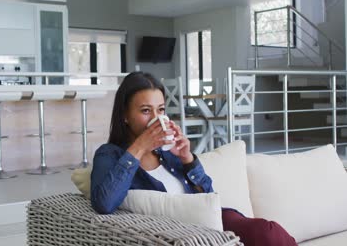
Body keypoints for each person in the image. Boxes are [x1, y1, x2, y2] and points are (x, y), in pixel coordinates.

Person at [90, 71, 297, 246]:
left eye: (161, 110)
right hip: (183, 233)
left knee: (269, 232)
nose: (155, 118)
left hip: (211, 220)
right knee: (267, 234)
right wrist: (139, 147)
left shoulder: (166, 152)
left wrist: (187, 158)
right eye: (146, 111)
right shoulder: (110, 154)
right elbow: (104, 204)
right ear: (124, 115)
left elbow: (209, 194)